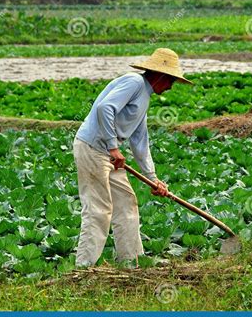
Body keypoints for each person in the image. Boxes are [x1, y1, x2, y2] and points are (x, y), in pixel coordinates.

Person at [72, 48, 193, 268]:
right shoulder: (134, 83)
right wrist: (112, 147)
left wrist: (153, 178)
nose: (170, 87)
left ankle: (132, 262)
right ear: (161, 76)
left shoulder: (144, 97)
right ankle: (85, 266)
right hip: (93, 148)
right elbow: (104, 108)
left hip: (109, 155)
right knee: (99, 208)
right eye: (171, 81)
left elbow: (140, 140)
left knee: (127, 203)